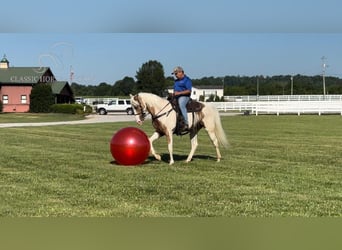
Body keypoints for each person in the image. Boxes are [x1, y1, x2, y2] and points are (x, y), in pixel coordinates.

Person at [172, 66, 192, 131]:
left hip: (185, 96)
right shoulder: (176, 81)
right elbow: (175, 90)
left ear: (181, 72)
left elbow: (189, 90)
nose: (175, 75)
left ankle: (186, 123)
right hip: (176, 96)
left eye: (176, 73)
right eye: (175, 74)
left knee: (181, 104)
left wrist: (179, 93)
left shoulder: (187, 80)